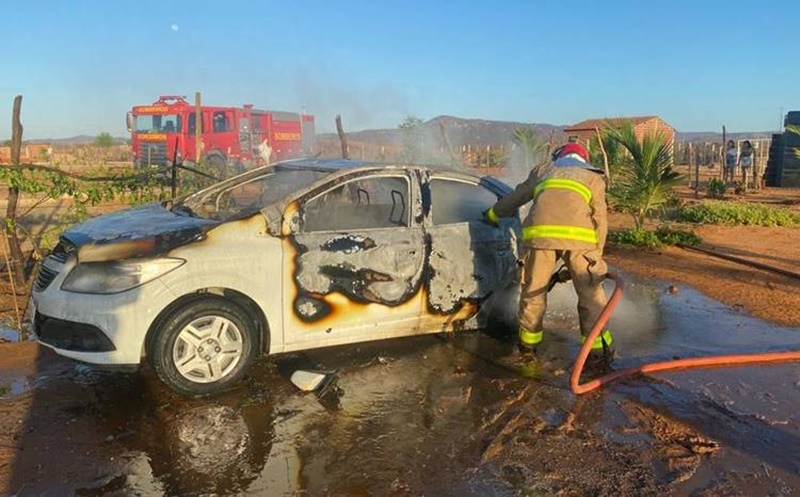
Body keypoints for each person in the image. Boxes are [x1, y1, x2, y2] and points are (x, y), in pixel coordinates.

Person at [484, 142, 613, 359]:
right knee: (590, 294)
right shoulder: (592, 177)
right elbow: (600, 217)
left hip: (539, 239)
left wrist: (492, 214)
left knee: (533, 292)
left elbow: (516, 197)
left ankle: (528, 348)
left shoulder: (543, 171)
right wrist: (597, 253)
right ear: (584, 159)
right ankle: (597, 351)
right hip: (580, 242)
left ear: (559, 156)